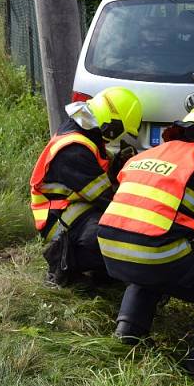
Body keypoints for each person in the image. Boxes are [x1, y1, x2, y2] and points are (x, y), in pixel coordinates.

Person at [97, 102, 194, 378]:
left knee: (150, 271)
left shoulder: (150, 153)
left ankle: (127, 337)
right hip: (154, 251)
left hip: (109, 246)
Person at [29, 87, 142, 287]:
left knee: (112, 232)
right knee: (112, 235)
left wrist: (117, 163)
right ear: (111, 126)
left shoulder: (84, 133)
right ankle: (63, 261)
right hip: (58, 220)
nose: (118, 138)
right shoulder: (75, 150)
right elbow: (106, 198)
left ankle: (104, 273)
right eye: (120, 133)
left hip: (74, 208)